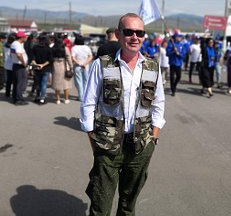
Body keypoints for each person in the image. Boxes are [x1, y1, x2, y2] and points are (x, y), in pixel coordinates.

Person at [80, 13, 165, 216]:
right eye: (129, 32)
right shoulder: (102, 64)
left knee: (128, 205)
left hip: (140, 146)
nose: (134, 37)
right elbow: (88, 104)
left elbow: (158, 103)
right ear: (118, 35)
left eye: (139, 32)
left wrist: (154, 136)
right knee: (100, 204)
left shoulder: (152, 67)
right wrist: (94, 142)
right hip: (107, 146)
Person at [31, 34, 53, 105]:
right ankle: (42, 99)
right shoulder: (48, 48)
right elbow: (50, 60)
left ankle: (37, 97)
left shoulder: (35, 47)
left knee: (38, 83)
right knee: (43, 84)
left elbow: (32, 58)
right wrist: (42, 65)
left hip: (37, 68)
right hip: (46, 68)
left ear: (39, 40)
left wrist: (36, 64)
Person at [51, 36, 73, 104]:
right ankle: (66, 99)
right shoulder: (65, 48)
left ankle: (58, 99)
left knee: (57, 83)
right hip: (64, 65)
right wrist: (71, 66)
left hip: (55, 66)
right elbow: (69, 58)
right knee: (66, 83)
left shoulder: (52, 48)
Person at [71, 35, 93, 101]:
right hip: (86, 66)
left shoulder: (74, 48)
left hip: (78, 66)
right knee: (86, 81)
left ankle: (81, 97)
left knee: (78, 81)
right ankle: (86, 96)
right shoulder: (87, 47)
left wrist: (79, 63)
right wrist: (85, 63)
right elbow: (90, 57)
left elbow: (73, 57)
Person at [10, 31, 28, 105]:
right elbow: (19, 54)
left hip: (16, 65)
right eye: (25, 36)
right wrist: (24, 63)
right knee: (21, 83)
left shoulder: (15, 43)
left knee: (16, 82)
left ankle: (15, 98)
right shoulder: (17, 44)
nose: (26, 38)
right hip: (20, 66)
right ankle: (18, 99)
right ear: (21, 37)